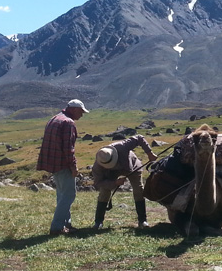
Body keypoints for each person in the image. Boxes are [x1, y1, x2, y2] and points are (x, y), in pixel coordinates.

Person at [36, 99, 89, 235]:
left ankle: (66, 224)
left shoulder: (55, 118)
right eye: (81, 112)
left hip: (53, 163)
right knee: (68, 195)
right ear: (74, 109)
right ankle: (57, 227)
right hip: (62, 164)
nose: (81, 115)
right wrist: (74, 166)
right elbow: (68, 148)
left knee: (61, 194)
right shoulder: (68, 123)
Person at [92, 135, 158, 229]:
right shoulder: (98, 166)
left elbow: (139, 138)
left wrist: (149, 153)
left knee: (139, 190)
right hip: (111, 174)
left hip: (133, 167)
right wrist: (115, 183)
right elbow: (98, 183)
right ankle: (98, 222)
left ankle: (142, 221)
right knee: (104, 193)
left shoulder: (122, 146)